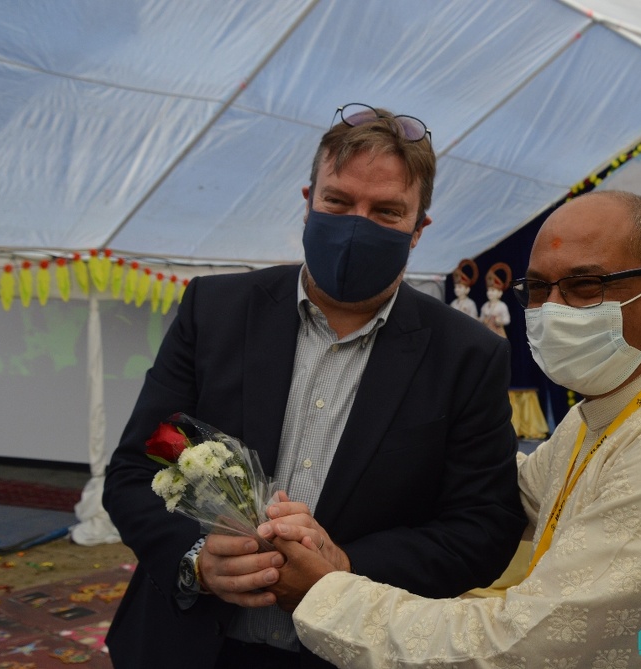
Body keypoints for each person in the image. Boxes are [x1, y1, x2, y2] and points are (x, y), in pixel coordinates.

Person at [268, 190, 641, 668]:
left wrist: (325, 594)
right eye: (539, 289)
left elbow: (525, 649)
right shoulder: (608, 412)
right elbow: (502, 490)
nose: (553, 311)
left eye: (586, 286)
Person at [102, 103, 526, 669]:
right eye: (338, 202)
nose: (356, 225)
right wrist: (196, 559)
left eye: (386, 211)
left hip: (349, 653)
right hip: (186, 645)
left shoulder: (466, 355)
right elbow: (136, 469)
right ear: (308, 203)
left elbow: (483, 528)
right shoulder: (216, 310)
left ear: (418, 229)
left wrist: (344, 567)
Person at [479, 261, 512, 337]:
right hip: (487, 334)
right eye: (489, 290)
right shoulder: (485, 306)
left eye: (493, 290)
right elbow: (481, 318)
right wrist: (483, 320)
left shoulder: (502, 306)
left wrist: (500, 321)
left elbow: (507, 320)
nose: (490, 293)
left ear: (500, 293)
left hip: (498, 335)